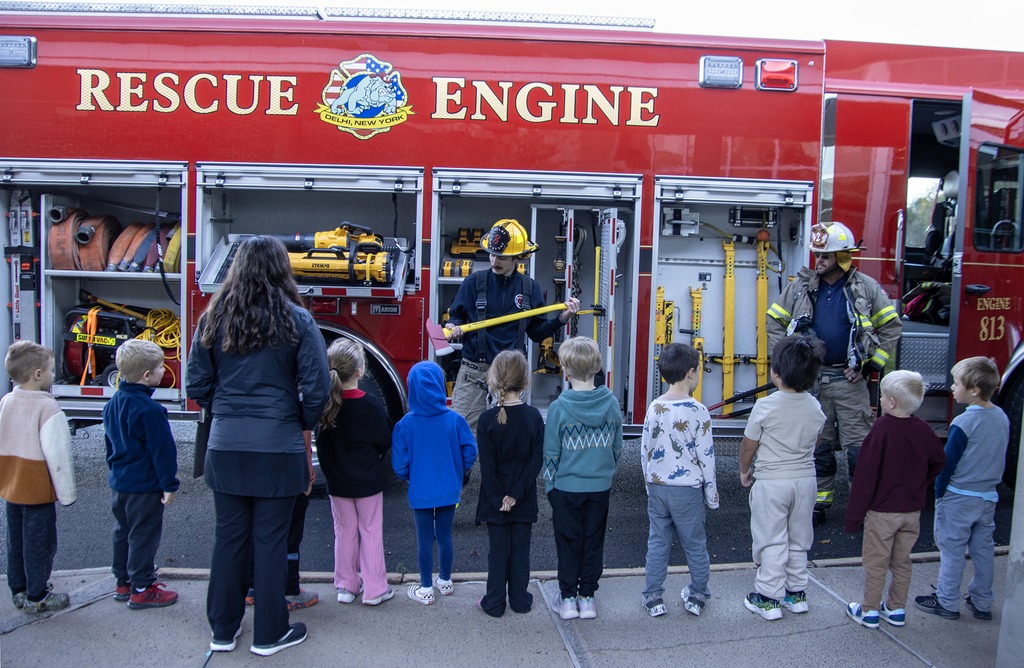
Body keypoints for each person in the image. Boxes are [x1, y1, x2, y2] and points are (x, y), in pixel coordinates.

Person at [186, 235, 330, 656]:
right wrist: (296, 421)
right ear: (281, 268)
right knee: (270, 541)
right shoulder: (298, 321)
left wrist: (227, 414)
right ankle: (270, 633)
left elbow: (197, 385)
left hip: (225, 447)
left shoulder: (212, 317)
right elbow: (317, 390)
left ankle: (223, 631)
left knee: (228, 538)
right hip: (279, 448)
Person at [766, 221, 902, 526]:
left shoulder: (865, 288)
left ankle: (863, 507)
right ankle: (818, 505)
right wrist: (794, 362)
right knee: (820, 450)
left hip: (849, 382)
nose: (818, 261)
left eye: (825, 256)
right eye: (817, 255)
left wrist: (871, 365)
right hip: (814, 384)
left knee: (859, 452)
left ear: (843, 257)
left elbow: (891, 326)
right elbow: (774, 321)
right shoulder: (802, 286)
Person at [446, 218, 580, 434]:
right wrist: (453, 326)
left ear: (517, 257)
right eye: (491, 254)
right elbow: (455, 318)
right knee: (460, 434)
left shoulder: (529, 289)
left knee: (510, 437)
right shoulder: (473, 283)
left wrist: (561, 318)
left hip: (512, 374)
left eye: (501, 257)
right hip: (474, 373)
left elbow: (537, 333)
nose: (493, 261)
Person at [844, 370, 946, 628]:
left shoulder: (881, 429)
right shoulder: (923, 429)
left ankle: (869, 611)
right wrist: (920, 484)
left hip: (882, 513)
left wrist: (854, 518)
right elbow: (939, 461)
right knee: (901, 562)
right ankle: (896, 609)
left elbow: (865, 476)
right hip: (911, 511)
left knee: (876, 563)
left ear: (891, 402)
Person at [916, 357, 1009, 621]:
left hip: (959, 496)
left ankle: (947, 601)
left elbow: (949, 461)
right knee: (983, 551)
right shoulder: (1001, 417)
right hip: (988, 496)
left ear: (974, 390)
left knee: (952, 551)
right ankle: (982, 602)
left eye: (957, 383)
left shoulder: (964, 423)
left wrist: (938, 493)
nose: (953, 388)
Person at [739, 335, 826, 621]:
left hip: (772, 483)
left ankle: (768, 597)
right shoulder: (815, 407)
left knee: (771, 539)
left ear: (775, 373)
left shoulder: (765, 406)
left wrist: (744, 470)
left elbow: (748, 445)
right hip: (806, 481)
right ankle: (796, 593)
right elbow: (815, 443)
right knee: (800, 538)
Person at [543, 336, 623, 620]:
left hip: (565, 488)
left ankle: (567, 600)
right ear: (598, 366)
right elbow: (617, 448)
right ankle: (587, 598)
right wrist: (604, 471)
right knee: (593, 541)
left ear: (565, 369)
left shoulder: (559, 408)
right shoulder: (611, 403)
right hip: (599, 487)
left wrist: (550, 485)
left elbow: (551, 453)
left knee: (568, 543)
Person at [640, 342, 719, 618]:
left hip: (659, 488)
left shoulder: (654, 407)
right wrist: (712, 496)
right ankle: (697, 595)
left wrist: (649, 484)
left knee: (658, 542)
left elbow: (645, 451)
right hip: (688, 491)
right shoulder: (699, 412)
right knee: (695, 545)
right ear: (691, 373)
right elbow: (706, 458)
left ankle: (653, 597)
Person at [103, 339, 180, 609]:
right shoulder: (151, 410)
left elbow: (109, 443)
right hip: (144, 487)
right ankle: (142, 587)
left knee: (122, 532)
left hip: (120, 483)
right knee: (143, 536)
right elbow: (162, 451)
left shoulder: (113, 404)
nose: (164, 370)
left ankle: (122, 581)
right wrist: (169, 484)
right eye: (161, 367)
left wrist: (114, 471)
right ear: (147, 376)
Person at [0, 341, 76, 614]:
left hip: (12, 486)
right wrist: (67, 494)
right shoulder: (48, 409)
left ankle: (18, 590)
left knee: (16, 540)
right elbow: (58, 458)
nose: (54, 375)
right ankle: (38, 596)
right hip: (37, 489)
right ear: (37, 374)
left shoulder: (7, 401)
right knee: (40, 544)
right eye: (51, 370)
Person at [317, 337, 394, 606]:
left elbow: (322, 444)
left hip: (337, 483)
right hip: (367, 482)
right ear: (360, 370)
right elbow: (385, 439)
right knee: (371, 531)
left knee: (344, 531)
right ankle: (375, 589)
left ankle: (346, 586)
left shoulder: (326, 405)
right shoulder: (370, 404)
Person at [392, 361, 477, 605]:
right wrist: (458, 471)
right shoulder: (455, 420)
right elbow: (470, 451)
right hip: (449, 489)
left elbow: (399, 465)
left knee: (424, 539)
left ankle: (426, 587)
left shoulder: (404, 425)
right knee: (445, 535)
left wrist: (413, 475)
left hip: (420, 491)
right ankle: (446, 580)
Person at [474, 350, 544, 617]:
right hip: (523, 497)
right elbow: (535, 461)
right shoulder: (534, 418)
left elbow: (487, 468)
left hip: (495, 500)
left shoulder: (487, 420)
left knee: (498, 552)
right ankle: (519, 599)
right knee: (521, 551)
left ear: (493, 380)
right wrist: (515, 495)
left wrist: (498, 498)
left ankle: (493, 602)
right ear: (526, 382)